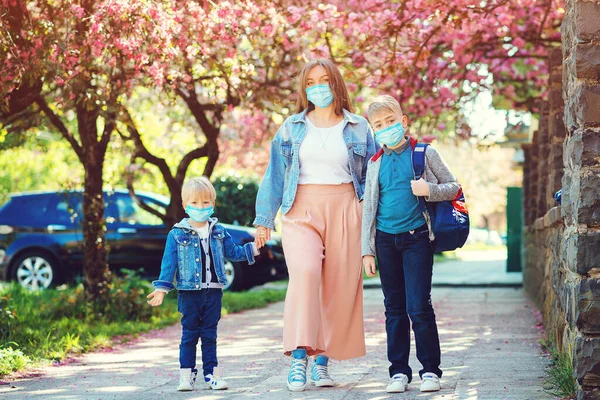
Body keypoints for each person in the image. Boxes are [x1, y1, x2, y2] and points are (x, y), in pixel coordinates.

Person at [253, 59, 379, 392]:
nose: (318, 87)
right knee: (306, 274)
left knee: (338, 287)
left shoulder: (359, 127)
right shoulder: (292, 127)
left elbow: (376, 174)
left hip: (347, 207)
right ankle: (299, 357)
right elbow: (275, 176)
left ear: (336, 84)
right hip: (300, 208)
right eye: (311, 83)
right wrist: (264, 221)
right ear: (304, 89)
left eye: (324, 80)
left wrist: (374, 216)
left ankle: (322, 362)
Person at [361, 95, 460, 393]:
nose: (385, 128)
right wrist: (367, 249)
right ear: (373, 130)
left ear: (403, 121)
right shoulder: (375, 163)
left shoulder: (423, 153)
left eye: (390, 121)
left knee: (418, 306)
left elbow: (454, 186)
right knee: (394, 308)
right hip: (386, 241)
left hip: (417, 238)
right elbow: (369, 210)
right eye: (378, 125)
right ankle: (398, 372)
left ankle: (430, 370)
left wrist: (428, 189)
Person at [147, 177, 259, 392]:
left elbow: (233, 253)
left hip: (213, 292)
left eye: (206, 202)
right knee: (189, 334)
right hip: (189, 294)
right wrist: (161, 288)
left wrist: (253, 248)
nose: (201, 207)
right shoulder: (177, 234)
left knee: (209, 334)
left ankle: (211, 375)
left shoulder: (219, 231)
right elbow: (169, 264)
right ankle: (186, 375)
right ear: (185, 205)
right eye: (195, 203)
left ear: (213, 204)